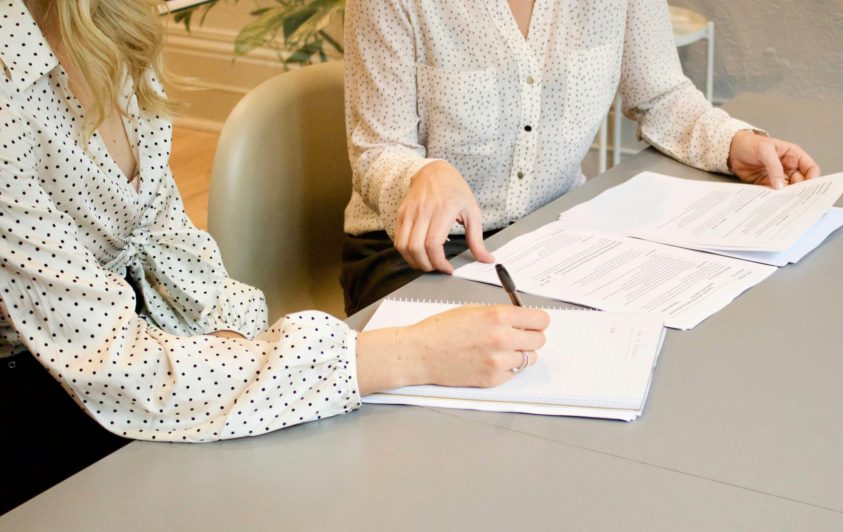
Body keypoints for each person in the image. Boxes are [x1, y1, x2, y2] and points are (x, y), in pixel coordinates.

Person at [0, 0, 549, 513]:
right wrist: (408, 355)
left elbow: (169, 242)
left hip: (134, 350)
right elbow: (116, 367)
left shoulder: (114, 26)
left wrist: (235, 343)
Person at [341, 0, 821, 314]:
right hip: (415, 253)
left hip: (552, 237)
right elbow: (377, 149)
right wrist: (422, 175)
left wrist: (735, 143)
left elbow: (661, 95)